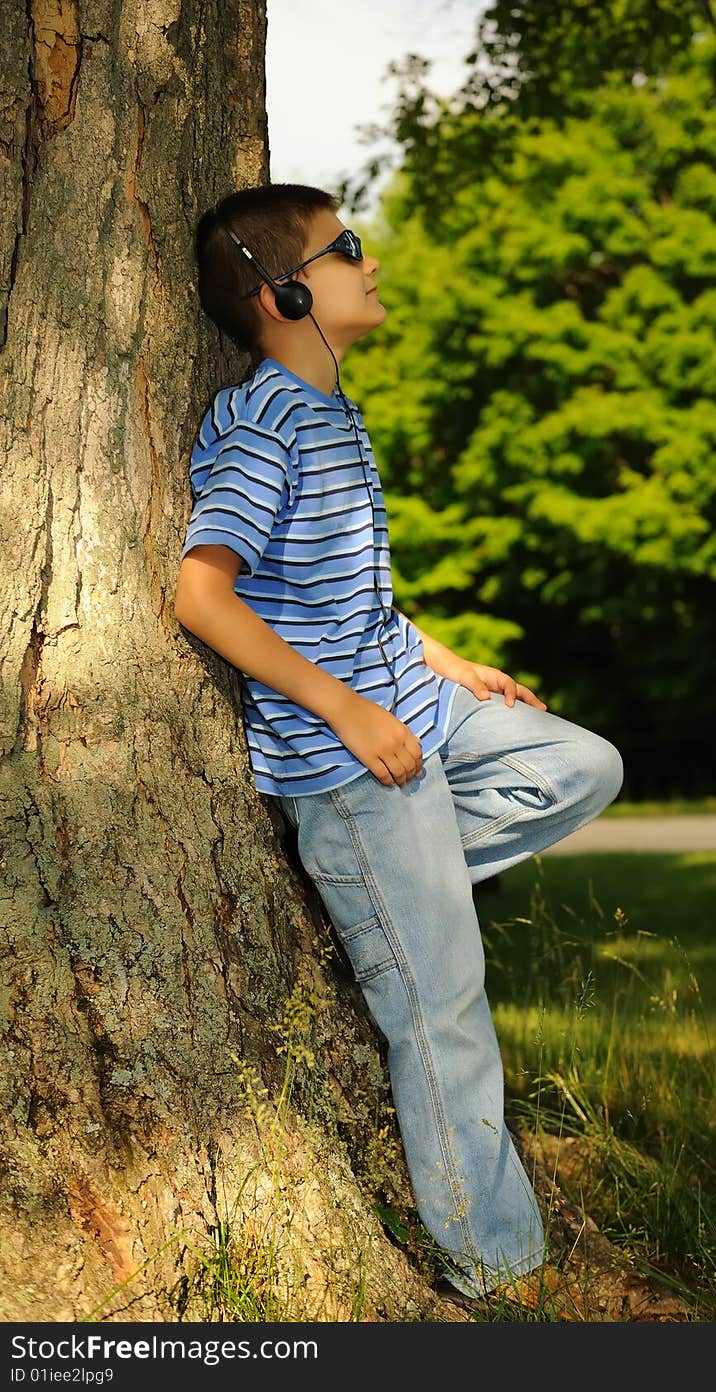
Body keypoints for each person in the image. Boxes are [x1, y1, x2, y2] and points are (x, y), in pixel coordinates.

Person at [174, 182, 625, 1315]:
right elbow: (204, 596)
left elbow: (339, 589)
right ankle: (501, 1274)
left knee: (580, 763)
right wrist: (345, 709)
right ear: (283, 294)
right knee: (447, 1015)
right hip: (351, 752)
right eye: (345, 249)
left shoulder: (336, 410)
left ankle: (383, 903)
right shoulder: (266, 422)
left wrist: (438, 656)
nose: (369, 262)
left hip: (407, 706)